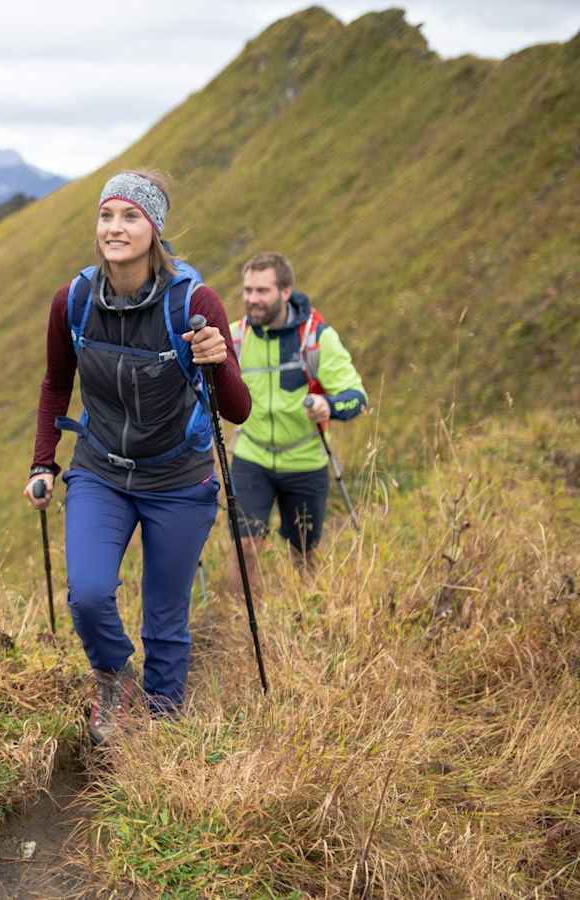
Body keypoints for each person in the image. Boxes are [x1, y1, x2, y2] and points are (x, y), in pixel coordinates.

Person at [24, 170, 250, 745]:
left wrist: (219, 360)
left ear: (155, 228)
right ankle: (116, 680)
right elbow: (56, 382)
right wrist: (43, 462)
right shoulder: (73, 300)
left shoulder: (195, 303)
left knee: (165, 617)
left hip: (179, 479)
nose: (115, 228)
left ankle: (163, 729)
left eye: (130, 217)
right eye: (107, 215)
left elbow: (238, 409)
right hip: (101, 470)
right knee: (90, 592)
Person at [229, 252, 367, 581]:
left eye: (262, 291)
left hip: (305, 461)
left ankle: (306, 618)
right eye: (248, 291)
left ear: (285, 291)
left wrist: (328, 407)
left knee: (303, 551)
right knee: (245, 546)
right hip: (252, 457)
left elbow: (357, 398)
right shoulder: (235, 337)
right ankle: (244, 629)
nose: (252, 299)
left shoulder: (318, 339)